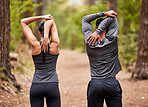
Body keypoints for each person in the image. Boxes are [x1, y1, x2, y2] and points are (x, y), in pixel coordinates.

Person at [82, 10, 122, 107]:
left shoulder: (89, 41)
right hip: (111, 83)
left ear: (95, 28)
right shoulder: (112, 39)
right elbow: (113, 18)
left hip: (95, 84)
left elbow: (85, 19)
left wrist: (103, 13)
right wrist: (99, 31)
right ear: (108, 29)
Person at [21, 14, 60, 107]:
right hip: (52, 85)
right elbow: (51, 21)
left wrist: (42, 17)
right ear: (52, 31)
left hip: (36, 85)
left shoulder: (35, 45)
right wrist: (47, 35)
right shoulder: (55, 45)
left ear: (39, 32)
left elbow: (23, 22)